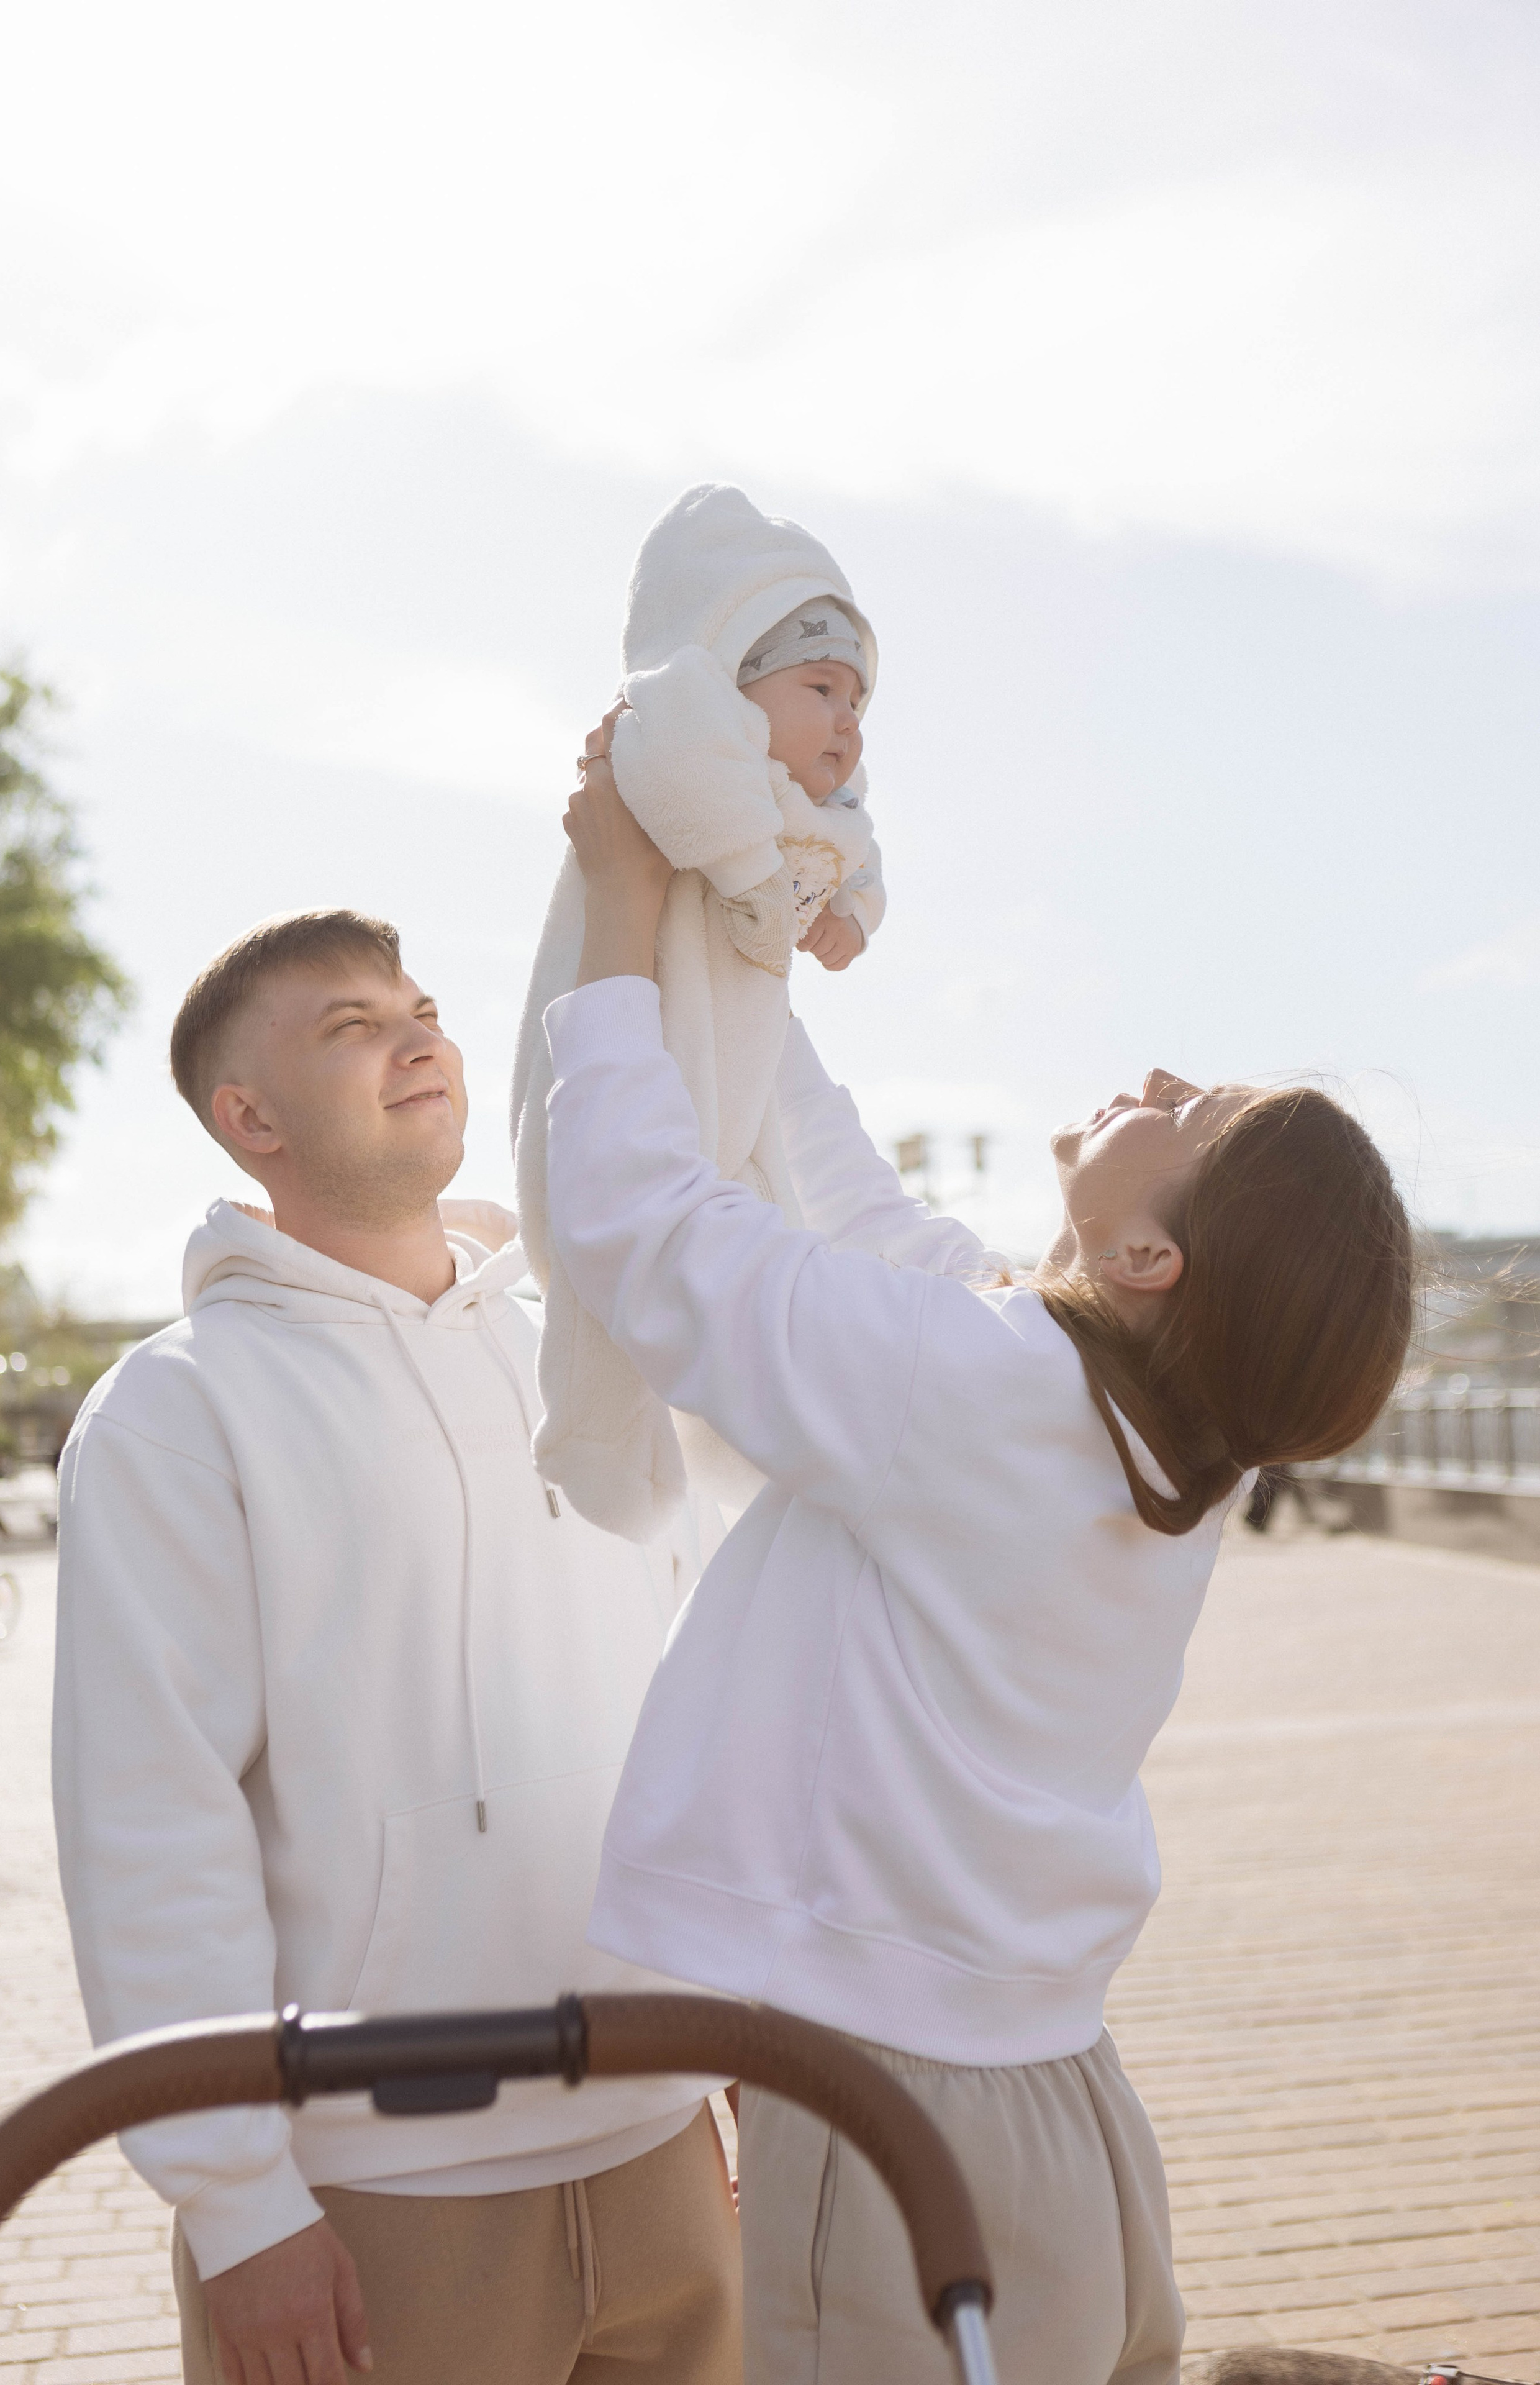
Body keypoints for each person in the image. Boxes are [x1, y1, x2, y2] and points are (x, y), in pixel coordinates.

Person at [535, 738, 1415, 2385]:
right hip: (1062, 2097)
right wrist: (744, 942)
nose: (1151, 1076)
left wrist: (620, 901)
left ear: (1152, 1256)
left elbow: (645, 1235)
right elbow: (857, 1213)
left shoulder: (989, 1391)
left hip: (895, 2117)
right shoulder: (1139, 1424)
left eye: (1190, 1112)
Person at [53, 909, 741, 2385]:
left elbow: (686, 1697)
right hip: (380, 2197)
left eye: (419, 1004)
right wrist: (239, 2208)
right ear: (250, 1118)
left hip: (657, 2137)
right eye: (349, 1024)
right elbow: (148, 1817)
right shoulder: (178, 1410)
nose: (416, 1032)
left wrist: (727, 2036)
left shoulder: (576, 1350)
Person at [511, 484, 887, 1542]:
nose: (848, 724)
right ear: (739, 671)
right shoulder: (685, 720)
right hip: (633, 1025)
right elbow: (678, 762)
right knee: (598, 1238)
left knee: (756, 1230)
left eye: (859, 702)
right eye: (821, 687)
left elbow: (860, 856)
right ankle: (591, 1438)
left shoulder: (816, 805)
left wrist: (854, 913)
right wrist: (751, 875)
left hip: (741, 1071)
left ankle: (724, 1448)